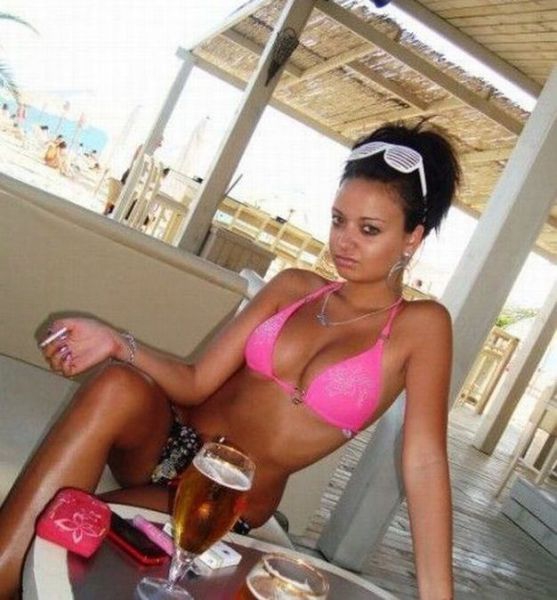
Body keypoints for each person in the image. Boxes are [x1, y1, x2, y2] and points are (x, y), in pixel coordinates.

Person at [0, 121, 460, 599]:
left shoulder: (422, 327)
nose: (344, 242)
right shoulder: (295, 288)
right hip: (169, 439)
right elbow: (196, 381)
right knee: (117, 382)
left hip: (227, 496)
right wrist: (118, 343)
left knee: (60, 545)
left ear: (413, 237)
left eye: (369, 229)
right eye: (338, 220)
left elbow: (425, 463)